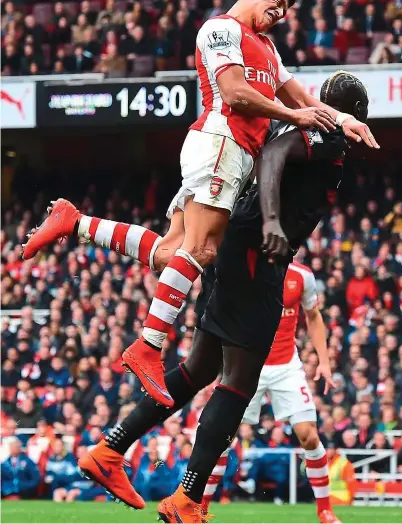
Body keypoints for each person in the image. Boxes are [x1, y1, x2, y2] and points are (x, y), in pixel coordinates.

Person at [22, 0, 378, 408]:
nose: (280, 12)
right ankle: (149, 346)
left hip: (231, 154)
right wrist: (293, 116)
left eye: (286, 8)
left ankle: (76, 223)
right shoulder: (222, 29)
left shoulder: (268, 48)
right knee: (203, 250)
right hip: (220, 143)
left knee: (173, 253)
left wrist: (342, 120)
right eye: (276, 0)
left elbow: (303, 97)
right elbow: (234, 90)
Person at [75, 72, 371, 521]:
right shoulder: (325, 137)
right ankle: (186, 499)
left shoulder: (300, 124)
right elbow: (272, 157)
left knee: (199, 369)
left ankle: (109, 449)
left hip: (236, 248)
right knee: (237, 383)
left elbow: (268, 148)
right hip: (256, 254)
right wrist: (272, 221)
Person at [200, 263, 341, 523]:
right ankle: (201, 507)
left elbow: (313, 315)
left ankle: (325, 511)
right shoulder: (247, 269)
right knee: (222, 437)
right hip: (246, 364)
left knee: (309, 435)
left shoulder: (302, 276)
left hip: (286, 366)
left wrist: (324, 361)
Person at [326, 442, 356, 507]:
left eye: (331, 449)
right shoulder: (326, 463)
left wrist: (351, 499)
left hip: (341, 499)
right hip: (329, 498)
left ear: (336, 450)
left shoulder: (343, 463)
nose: (329, 451)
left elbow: (351, 483)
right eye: (327, 449)